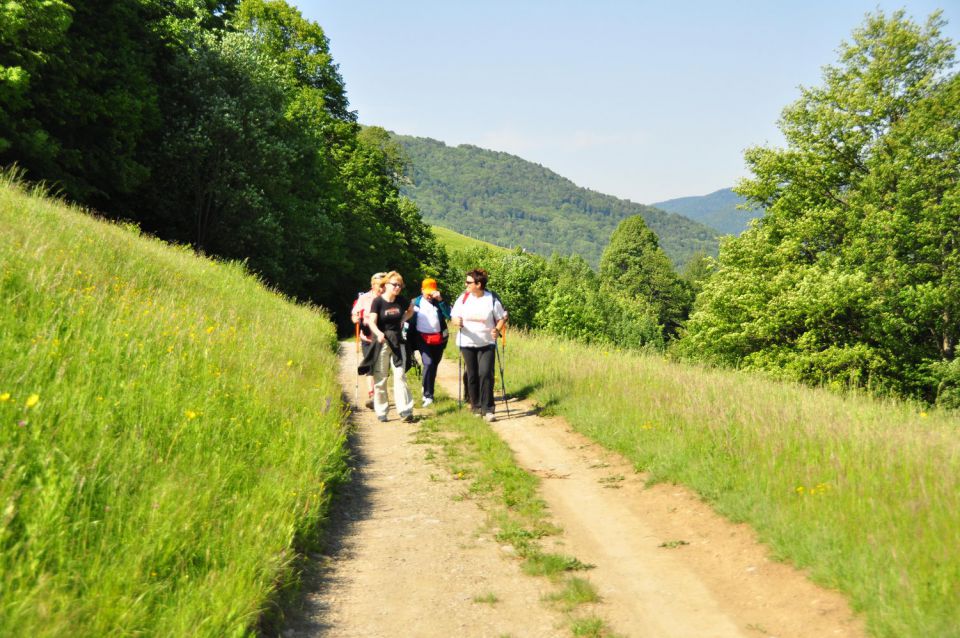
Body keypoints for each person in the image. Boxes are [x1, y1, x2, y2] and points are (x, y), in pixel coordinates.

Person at [451, 268, 507, 422]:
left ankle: (488, 409)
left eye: (469, 282)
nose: (466, 284)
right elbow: (454, 316)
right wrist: (457, 321)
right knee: (472, 374)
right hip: (467, 342)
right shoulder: (463, 298)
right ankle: (475, 407)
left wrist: (496, 329)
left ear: (479, 284)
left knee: (485, 373)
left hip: (487, 343)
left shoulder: (491, 299)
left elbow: (502, 318)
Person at [365, 271, 416, 422]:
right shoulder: (378, 302)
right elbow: (371, 322)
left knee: (400, 376)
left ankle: (405, 411)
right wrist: (378, 333)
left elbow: (411, 310)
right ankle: (381, 411)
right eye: (395, 284)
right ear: (386, 285)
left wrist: (403, 319)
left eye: (400, 285)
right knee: (381, 378)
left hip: (398, 342)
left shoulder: (401, 300)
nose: (398, 287)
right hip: (381, 343)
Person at [410, 278, 451, 408]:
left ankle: (426, 385)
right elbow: (408, 321)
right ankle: (428, 396)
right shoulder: (415, 303)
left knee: (434, 366)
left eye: (431, 292)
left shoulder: (439, 302)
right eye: (427, 292)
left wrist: (441, 300)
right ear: (422, 290)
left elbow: (450, 316)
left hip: (438, 339)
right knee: (428, 363)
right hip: (421, 338)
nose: (429, 295)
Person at [351, 272, 386, 409]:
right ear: (373, 285)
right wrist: (356, 319)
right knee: (370, 367)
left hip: (383, 338)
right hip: (368, 337)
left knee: (381, 368)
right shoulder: (365, 298)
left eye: (384, 285)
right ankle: (373, 395)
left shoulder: (388, 299)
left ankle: (379, 394)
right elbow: (355, 313)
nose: (382, 288)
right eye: (380, 285)